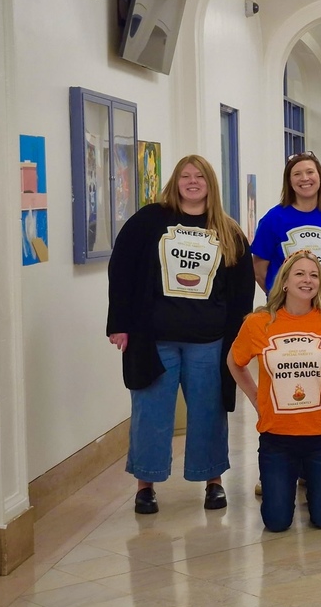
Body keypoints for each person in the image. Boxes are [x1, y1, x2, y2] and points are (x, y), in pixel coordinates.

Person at [107, 155, 254, 514]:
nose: (192, 182)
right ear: (175, 182)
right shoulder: (148, 221)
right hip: (154, 337)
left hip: (210, 339)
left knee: (209, 411)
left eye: (199, 177)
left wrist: (239, 338)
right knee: (150, 412)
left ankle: (212, 481)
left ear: (210, 184)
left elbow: (241, 288)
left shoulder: (228, 229)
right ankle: (146, 485)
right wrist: (119, 323)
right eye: (185, 176)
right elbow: (121, 269)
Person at [228, 250, 321, 531]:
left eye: (315, 275)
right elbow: (235, 361)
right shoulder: (259, 323)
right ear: (284, 282)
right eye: (299, 273)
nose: (308, 280)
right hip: (278, 438)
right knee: (276, 522)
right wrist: (255, 397)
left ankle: (315, 490)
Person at [251, 151, 321, 310]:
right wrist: (282, 297)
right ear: (289, 181)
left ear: (320, 177)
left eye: (310, 172)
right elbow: (259, 271)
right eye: (297, 174)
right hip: (285, 310)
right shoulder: (273, 219)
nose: (304, 178)